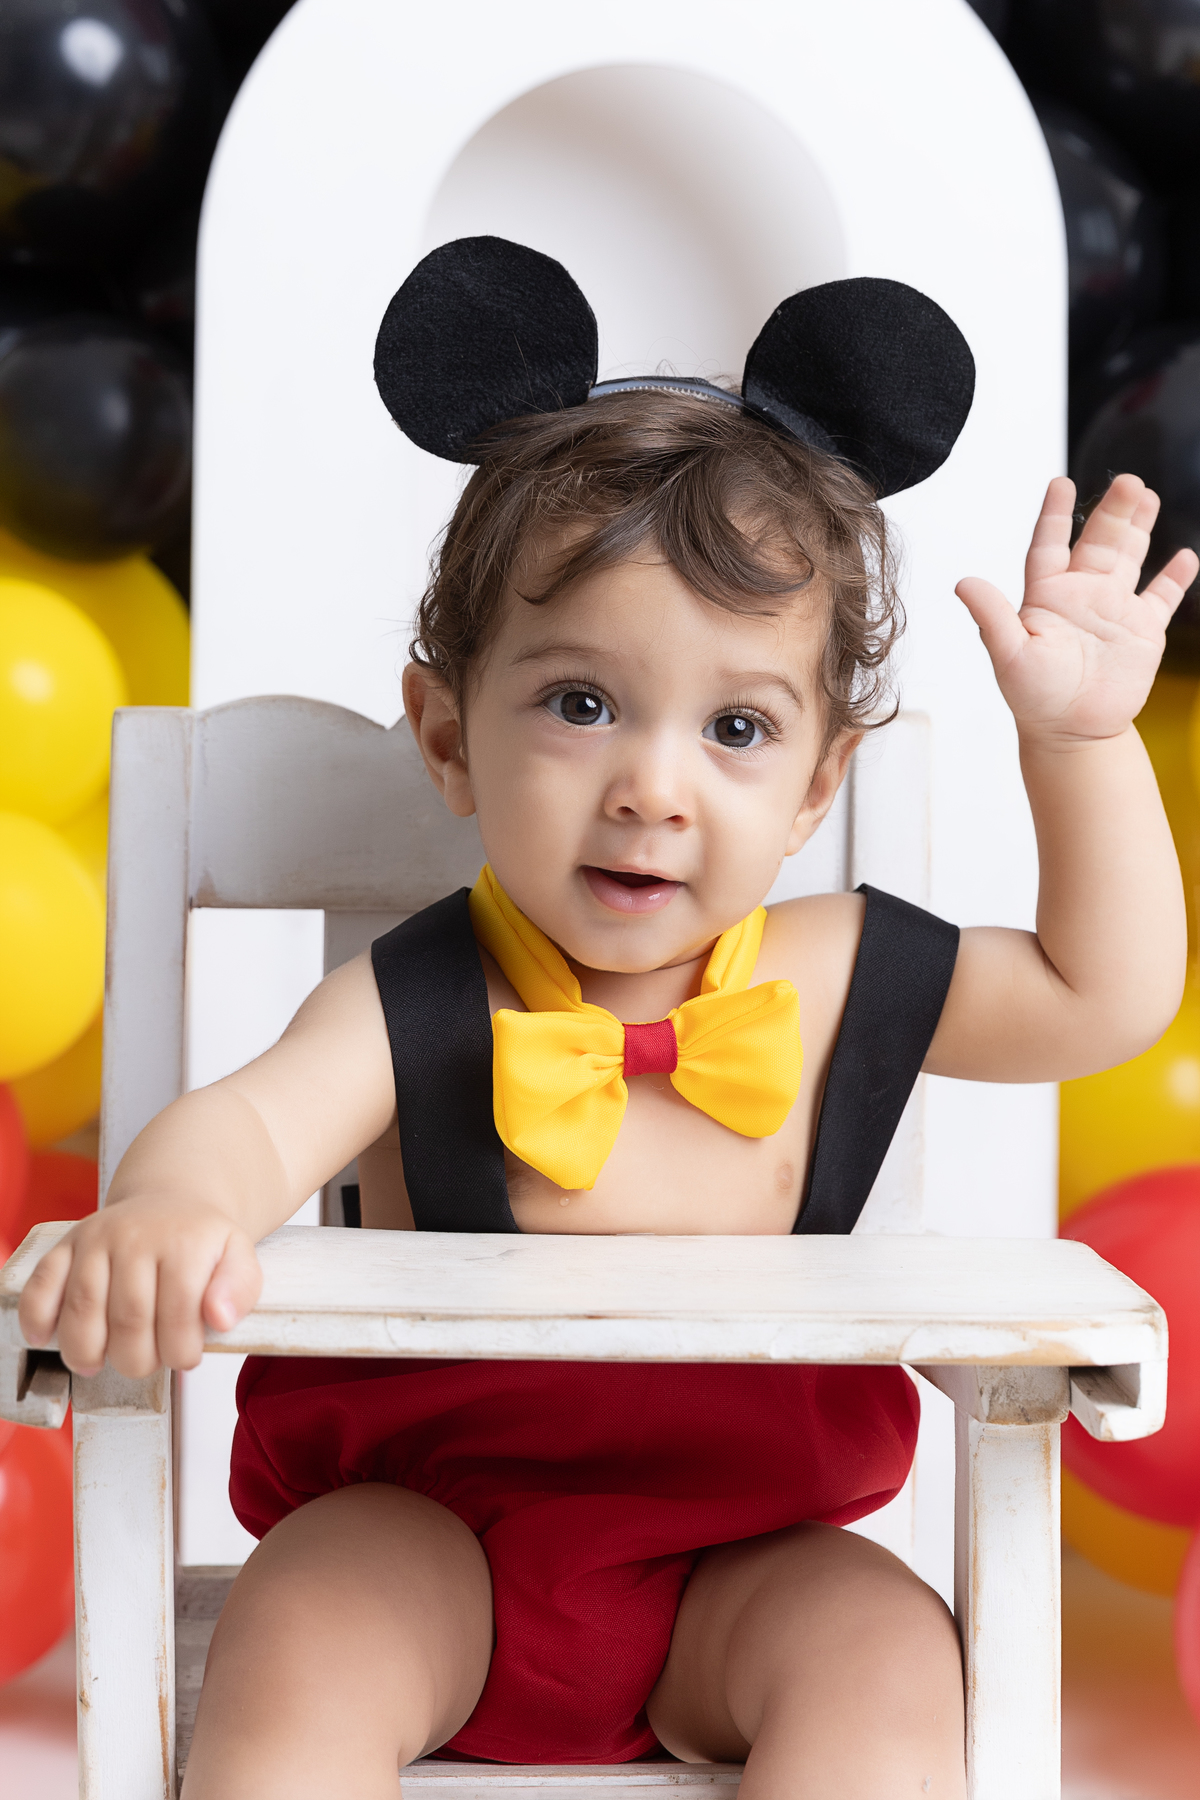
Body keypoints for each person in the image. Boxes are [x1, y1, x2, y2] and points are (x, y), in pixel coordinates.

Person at [17, 240, 1195, 1800]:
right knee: (308, 1626)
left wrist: (1084, 740)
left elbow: (1100, 996)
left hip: (741, 1568)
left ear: (816, 784)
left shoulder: (839, 976)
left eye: (736, 727)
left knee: (889, 1655)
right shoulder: (421, 998)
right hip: (433, 1551)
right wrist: (169, 1209)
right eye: (580, 704)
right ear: (447, 733)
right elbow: (251, 1121)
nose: (652, 785)